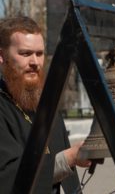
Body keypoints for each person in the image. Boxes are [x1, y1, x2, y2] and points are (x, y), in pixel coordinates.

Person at [0, 16, 91, 194]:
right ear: (2, 56)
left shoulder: (47, 102)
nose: (35, 62)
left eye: (39, 54)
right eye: (25, 54)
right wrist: (69, 158)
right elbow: (7, 177)